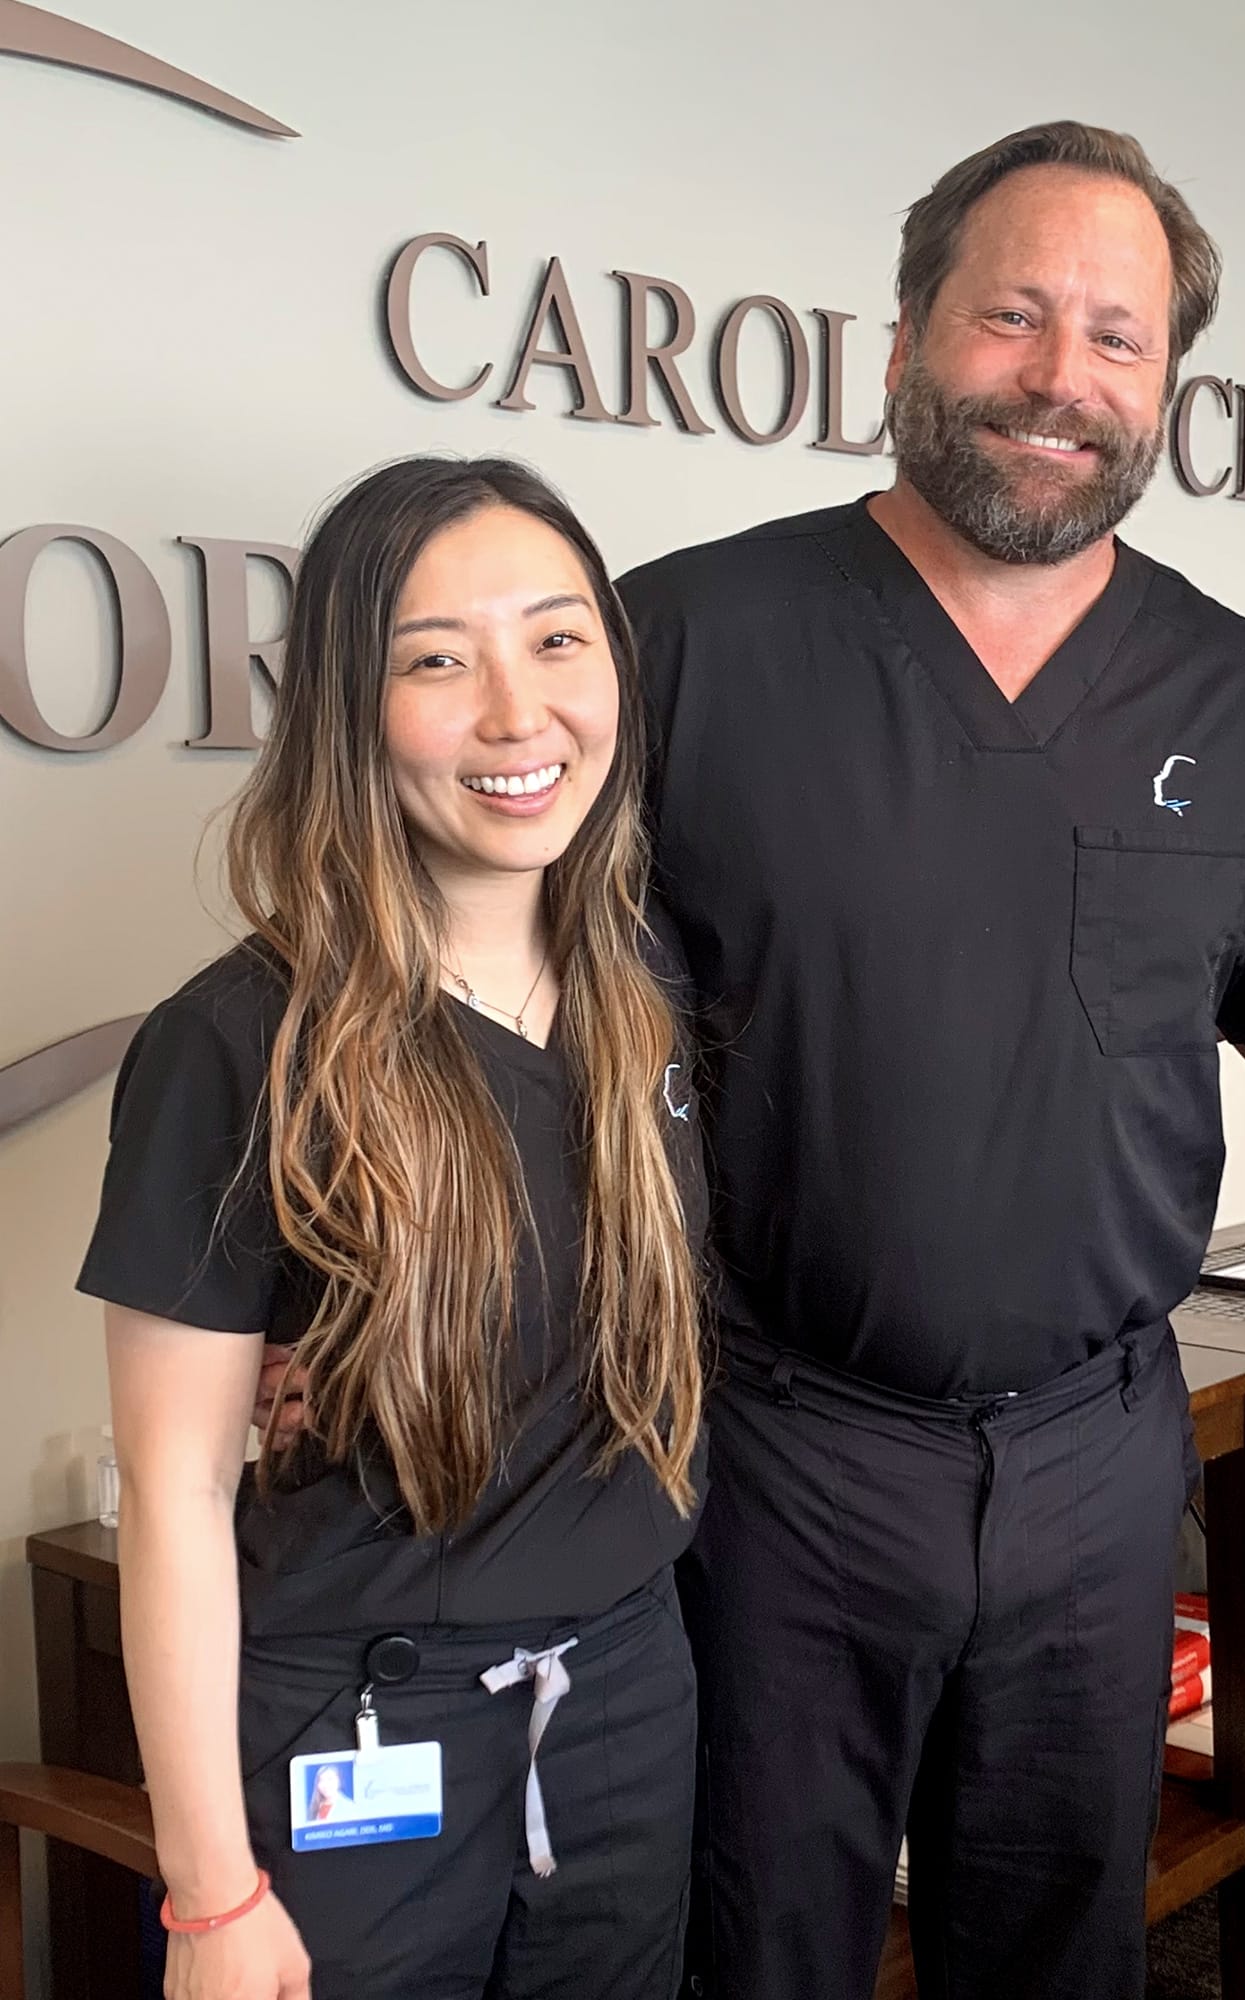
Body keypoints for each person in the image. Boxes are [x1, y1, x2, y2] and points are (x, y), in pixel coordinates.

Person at [617, 120, 1245, 2000]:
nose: (1059, 379)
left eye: (1117, 336)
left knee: (1061, 1949)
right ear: (912, 330)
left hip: (1100, 1464)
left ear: (1166, 382)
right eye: (1013, 316)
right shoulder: (685, 642)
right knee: (758, 1946)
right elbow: (519, 1038)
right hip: (781, 1449)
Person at [82, 456, 708, 2000]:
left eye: (559, 640)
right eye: (438, 659)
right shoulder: (240, 1045)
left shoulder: (649, 985)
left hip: (630, 1697)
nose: (518, 711)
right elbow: (170, 1496)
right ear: (351, 707)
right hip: (365, 1728)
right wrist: (208, 1894)